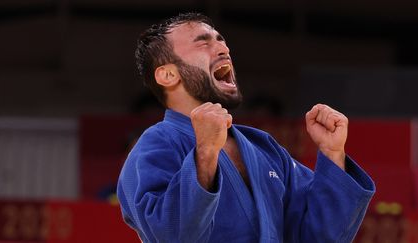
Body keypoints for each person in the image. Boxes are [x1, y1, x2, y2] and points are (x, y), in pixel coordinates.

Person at [117, 12, 375, 243]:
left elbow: (320, 236)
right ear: (168, 75)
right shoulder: (155, 145)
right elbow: (171, 236)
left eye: (221, 39)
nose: (223, 47)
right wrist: (205, 153)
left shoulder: (263, 147)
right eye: (204, 41)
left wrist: (333, 153)